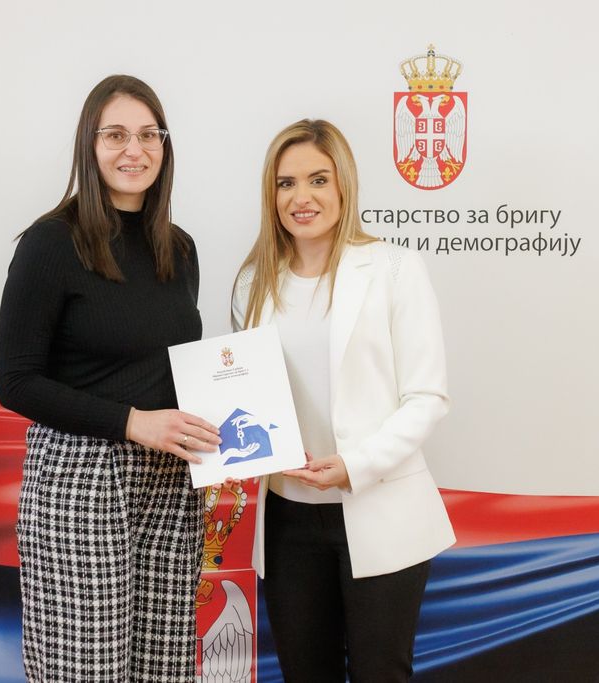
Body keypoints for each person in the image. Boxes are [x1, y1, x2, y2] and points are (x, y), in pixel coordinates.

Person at [0, 74, 220, 682]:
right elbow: (15, 380)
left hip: (169, 481)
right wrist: (130, 422)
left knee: (164, 669)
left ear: (164, 145)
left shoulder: (181, 249)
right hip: (80, 478)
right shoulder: (50, 243)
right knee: (85, 670)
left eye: (149, 135)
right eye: (115, 135)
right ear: (89, 145)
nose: (134, 150)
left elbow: (164, 366)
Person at [231, 119, 454, 682]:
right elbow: (247, 397)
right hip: (287, 519)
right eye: (285, 183)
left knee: (381, 673)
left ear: (343, 185)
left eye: (317, 180)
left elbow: (426, 396)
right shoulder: (253, 283)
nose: (301, 198)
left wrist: (354, 465)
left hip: (380, 506)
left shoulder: (395, 268)